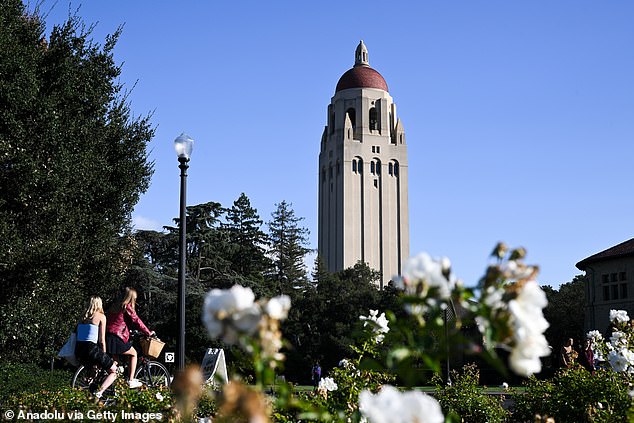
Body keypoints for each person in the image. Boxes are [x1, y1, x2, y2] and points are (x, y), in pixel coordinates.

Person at [106, 287, 154, 388]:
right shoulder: (126, 306)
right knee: (133, 353)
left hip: (108, 337)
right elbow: (137, 321)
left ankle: (114, 389)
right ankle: (131, 380)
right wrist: (148, 332)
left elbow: (116, 322)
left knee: (116, 366)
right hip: (117, 338)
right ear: (131, 298)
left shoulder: (114, 306)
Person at [75, 296, 118, 399]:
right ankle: (100, 392)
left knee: (94, 368)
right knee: (114, 371)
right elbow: (101, 340)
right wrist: (105, 354)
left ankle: (87, 386)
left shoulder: (82, 318)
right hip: (91, 349)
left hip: (79, 349)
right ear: (99, 304)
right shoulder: (101, 316)